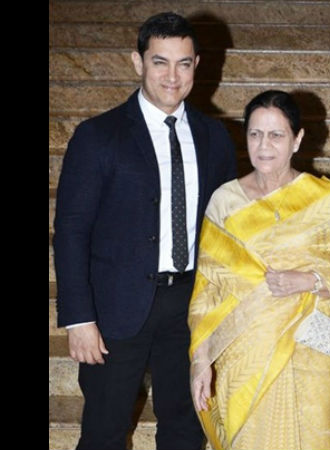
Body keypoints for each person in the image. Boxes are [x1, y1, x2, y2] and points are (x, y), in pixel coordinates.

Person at [53, 12, 237, 450]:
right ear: (137, 62)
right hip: (116, 309)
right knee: (104, 433)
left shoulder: (215, 137)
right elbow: (71, 230)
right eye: (160, 62)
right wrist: (79, 318)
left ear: (197, 65)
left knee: (186, 431)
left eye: (183, 63)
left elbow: (229, 227)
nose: (172, 76)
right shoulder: (98, 136)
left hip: (190, 306)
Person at [187, 90, 330, 450]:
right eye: (255, 134)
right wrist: (201, 360)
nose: (264, 145)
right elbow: (206, 292)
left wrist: (308, 280)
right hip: (244, 352)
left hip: (310, 352)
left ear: (297, 140)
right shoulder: (225, 201)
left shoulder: (322, 198)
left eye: (276, 135)